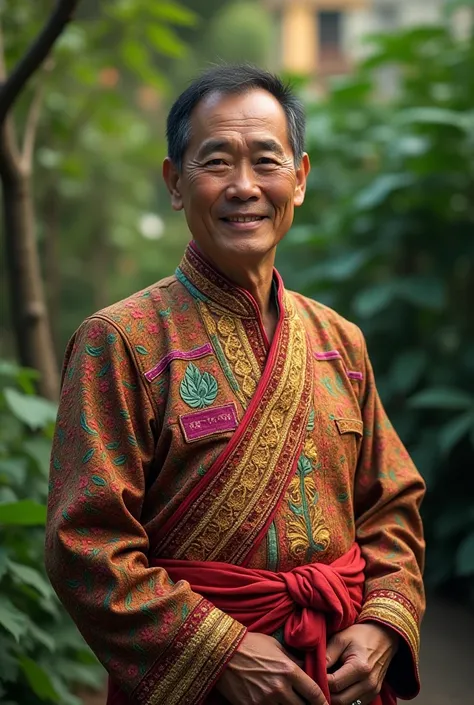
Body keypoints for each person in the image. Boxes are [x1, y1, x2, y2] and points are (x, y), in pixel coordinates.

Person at [45, 65, 425, 705]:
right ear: (175, 183)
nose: (244, 187)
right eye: (216, 161)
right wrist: (221, 652)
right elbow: (86, 544)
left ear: (299, 180)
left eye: (266, 162)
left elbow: (392, 505)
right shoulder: (121, 341)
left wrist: (383, 623)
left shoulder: (341, 342)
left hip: (336, 676)